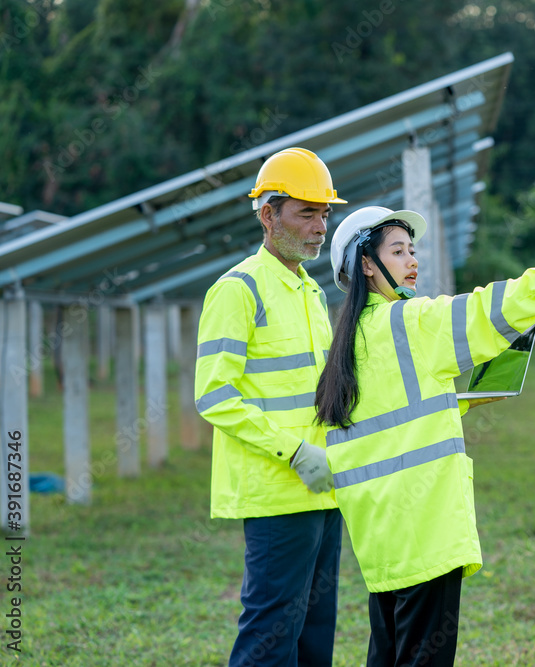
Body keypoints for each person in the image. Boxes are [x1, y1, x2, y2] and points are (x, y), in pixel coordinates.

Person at [314, 205, 535, 666]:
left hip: (381, 541)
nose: (413, 260)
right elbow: (499, 303)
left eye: (412, 250)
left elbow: (386, 425)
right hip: (426, 533)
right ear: (366, 264)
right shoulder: (413, 323)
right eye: (397, 250)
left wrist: (461, 403)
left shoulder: (344, 345)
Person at [194, 147, 346, 667]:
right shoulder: (237, 290)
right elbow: (215, 395)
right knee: (270, 636)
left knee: (314, 632)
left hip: (325, 489)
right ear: (268, 215)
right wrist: (295, 452)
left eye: (324, 213)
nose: (320, 226)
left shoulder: (310, 291)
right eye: (306, 212)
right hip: (277, 491)